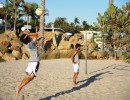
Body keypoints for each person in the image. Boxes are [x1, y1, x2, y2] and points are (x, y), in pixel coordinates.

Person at [16, 32, 43, 97]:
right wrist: (28, 34)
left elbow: (35, 39)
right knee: (31, 77)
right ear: (28, 38)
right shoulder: (31, 43)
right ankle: (19, 87)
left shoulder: (26, 44)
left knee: (28, 76)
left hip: (31, 62)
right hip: (35, 61)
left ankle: (19, 87)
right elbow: (36, 35)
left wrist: (38, 38)